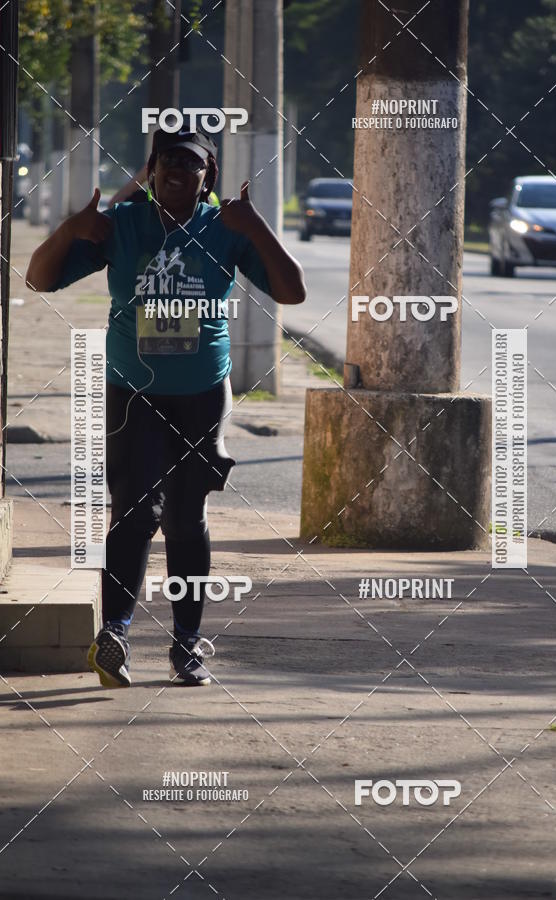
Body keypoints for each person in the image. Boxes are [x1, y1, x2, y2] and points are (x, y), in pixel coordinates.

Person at [26, 125, 306, 688]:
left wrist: (257, 227)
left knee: (185, 517)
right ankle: (114, 636)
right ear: (151, 171)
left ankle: (186, 645)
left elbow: (292, 291)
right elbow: (38, 278)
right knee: (133, 512)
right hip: (133, 392)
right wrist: (72, 228)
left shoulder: (226, 228)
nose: (178, 170)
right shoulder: (122, 225)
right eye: (167, 161)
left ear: (209, 176)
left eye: (191, 163)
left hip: (201, 393)